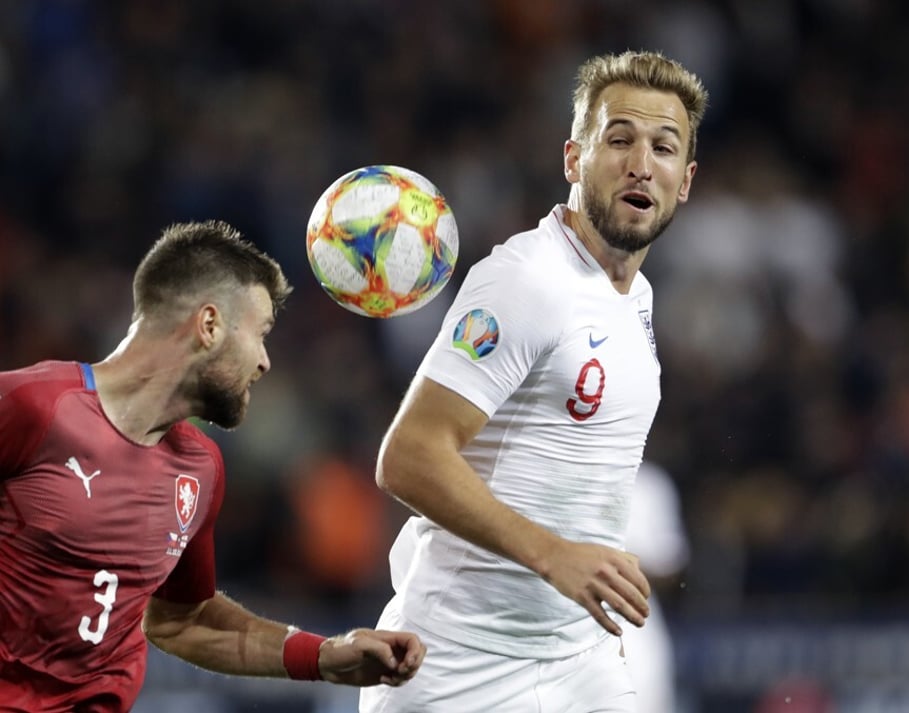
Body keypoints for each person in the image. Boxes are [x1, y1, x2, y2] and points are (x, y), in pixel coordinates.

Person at [360, 50, 709, 713]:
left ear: (684, 180)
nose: (642, 162)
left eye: (663, 147)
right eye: (620, 138)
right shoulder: (526, 280)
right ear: (574, 159)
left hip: (580, 656)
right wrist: (553, 555)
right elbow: (408, 457)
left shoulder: (637, 299)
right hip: (460, 665)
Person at [0, 220, 425, 713]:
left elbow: (183, 619)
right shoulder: (32, 407)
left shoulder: (199, 469)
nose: (265, 362)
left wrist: (327, 656)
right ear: (209, 325)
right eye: (261, 333)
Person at [621, 460, 690, 713]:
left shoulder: (648, 482)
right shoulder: (548, 460)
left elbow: (671, 568)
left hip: (632, 625)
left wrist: (614, 562)